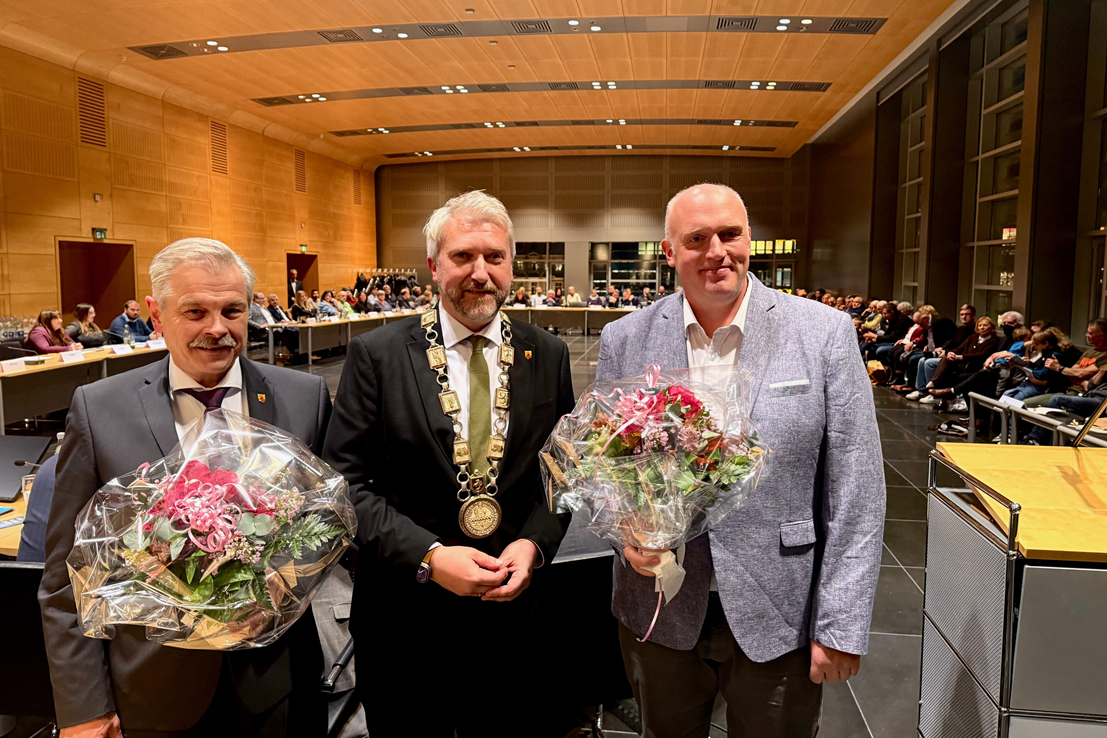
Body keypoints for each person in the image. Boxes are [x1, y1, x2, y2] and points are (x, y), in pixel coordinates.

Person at [596, 184, 884, 737]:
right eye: (697, 238)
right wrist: (624, 534)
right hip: (658, 609)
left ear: (749, 239)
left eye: (730, 234)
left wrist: (842, 623)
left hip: (781, 611)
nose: (717, 251)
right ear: (669, 252)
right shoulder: (625, 337)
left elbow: (858, 489)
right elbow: (609, 465)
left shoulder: (823, 333)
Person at [39, 238, 330, 738]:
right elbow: (67, 577)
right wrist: (83, 707)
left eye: (232, 310)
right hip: (152, 687)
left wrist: (288, 577)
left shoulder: (306, 397)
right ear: (156, 314)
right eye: (195, 311)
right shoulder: (98, 408)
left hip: (277, 682)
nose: (217, 328)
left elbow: (329, 523)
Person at [324, 191, 574, 737]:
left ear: (512, 265)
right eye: (463, 257)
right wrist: (431, 556)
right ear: (434, 267)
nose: (479, 272)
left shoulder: (548, 354)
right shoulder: (379, 355)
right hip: (406, 614)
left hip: (516, 611)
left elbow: (563, 473)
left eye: (494, 257)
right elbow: (346, 486)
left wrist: (533, 546)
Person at [923, 316, 1000, 404]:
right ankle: (935, 385)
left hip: (976, 366)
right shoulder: (973, 337)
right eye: (980, 325)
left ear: (991, 327)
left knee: (948, 369)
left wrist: (961, 357)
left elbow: (981, 355)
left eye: (985, 325)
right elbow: (959, 348)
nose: (982, 328)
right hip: (963, 364)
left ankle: (936, 386)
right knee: (946, 358)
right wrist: (952, 353)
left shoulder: (994, 340)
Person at [906, 304, 976, 400]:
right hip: (950, 353)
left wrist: (947, 351)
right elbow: (952, 341)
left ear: (973, 315)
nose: (964, 317)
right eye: (962, 314)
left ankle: (932, 391)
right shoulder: (961, 329)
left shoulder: (974, 331)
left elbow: (962, 347)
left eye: (966, 314)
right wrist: (943, 348)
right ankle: (921, 388)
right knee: (922, 360)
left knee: (929, 363)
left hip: (958, 358)